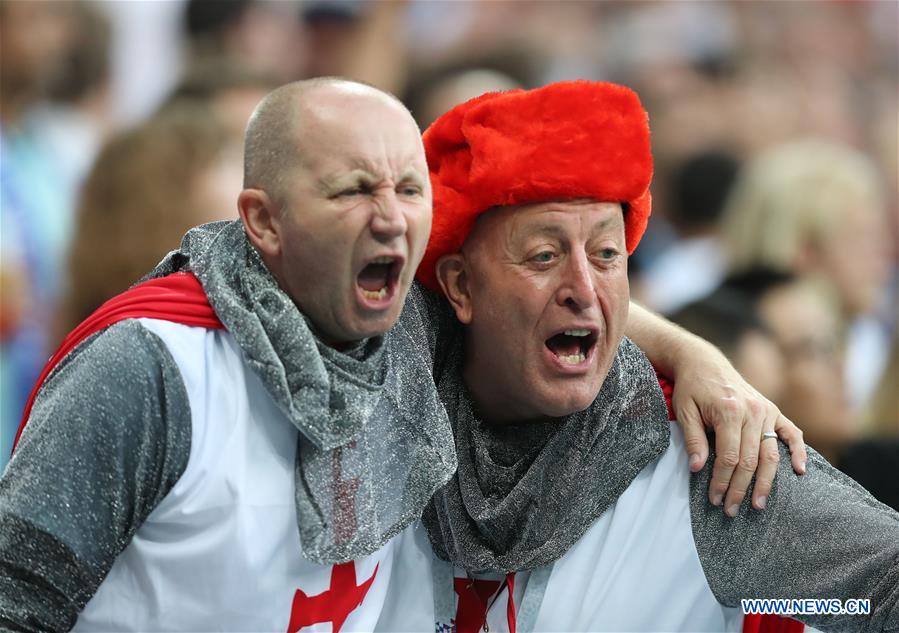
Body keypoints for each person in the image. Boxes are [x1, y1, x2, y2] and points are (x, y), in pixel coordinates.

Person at [1, 78, 803, 631]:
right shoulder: (151, 366)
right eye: (353, 189)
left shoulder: (411, 334)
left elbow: (546, 297)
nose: (389, 218)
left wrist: (696, 357)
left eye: (409, 190)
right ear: (263, 221)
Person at [376, 81, 899, 632]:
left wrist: (792, 616)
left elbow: (879, 591)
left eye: (607, 253)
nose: (584, 288)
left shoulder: (709, 461)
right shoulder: (387, 392)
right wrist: (682, 346)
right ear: (460, 286)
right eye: (544, 255)